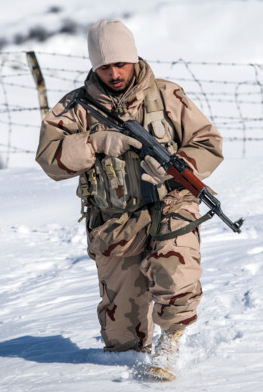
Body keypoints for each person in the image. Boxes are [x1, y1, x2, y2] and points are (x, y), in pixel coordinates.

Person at [35, 19, 223, 378]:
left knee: (175, 267)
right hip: (114, 218)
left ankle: (171, 340)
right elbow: (50, 160)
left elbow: (208, 142)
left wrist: (174, 167)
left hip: (171, 203)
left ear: (133, 58)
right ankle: (126, 361)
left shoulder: (167, 95)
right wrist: (94, 143)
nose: (115, 73)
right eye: (104, 66)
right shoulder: (74, 108)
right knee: (122, 339)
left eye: (121, 63)